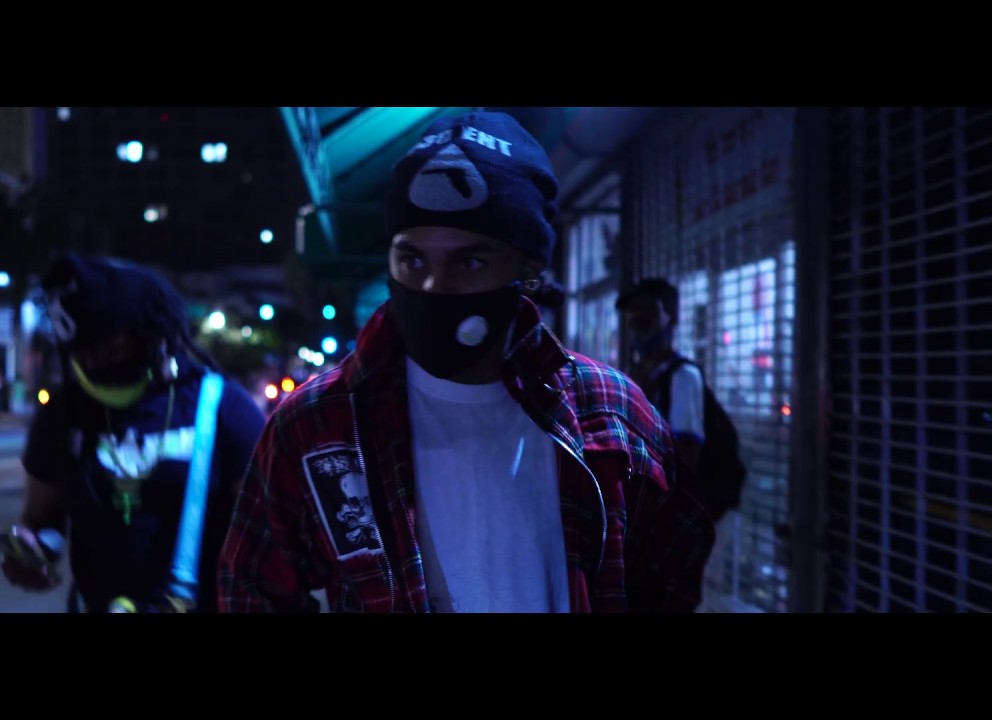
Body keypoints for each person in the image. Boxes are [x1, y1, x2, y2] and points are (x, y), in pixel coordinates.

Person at [218, 111, 716, 613]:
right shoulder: (317, 422)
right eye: (412, 259)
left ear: (528, 269)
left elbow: (676, 564)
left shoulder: (610, 409)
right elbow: (250, 588)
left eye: (469, 261)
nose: (433, 287)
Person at [1, 253, 266, 613]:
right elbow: (41, 517)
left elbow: (270, 533)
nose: (92, 363)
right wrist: (34, 551)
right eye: (81, 351)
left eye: (108, 347)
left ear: (154, 336)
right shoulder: (65, 413)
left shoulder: (222, 408)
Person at [617, 278, 747, 523]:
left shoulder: (684, 376)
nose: (637, 319)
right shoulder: (636, 375)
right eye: (633, 310)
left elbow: (686, 458)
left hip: (689, 520)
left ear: (672, 319)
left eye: (649, 310)